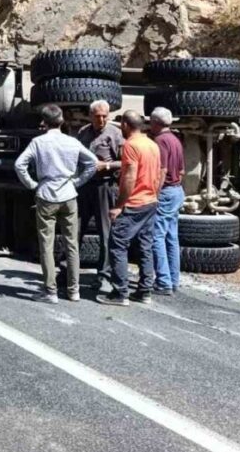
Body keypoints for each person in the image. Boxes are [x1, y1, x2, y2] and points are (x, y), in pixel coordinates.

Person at [15, 104, 98, 304]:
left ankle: (50, 291)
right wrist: (77, 182)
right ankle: (74, 290)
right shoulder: (72, 141)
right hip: (69, 195)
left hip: (46, 195)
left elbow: (20, 165)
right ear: (61, 121)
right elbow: (93, 163)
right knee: (72, 244)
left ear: (43, 122)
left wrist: (32, 184)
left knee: (46, 245)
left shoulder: (38, 142)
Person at [97, 110, 162, 306]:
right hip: (150, 202)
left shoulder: (131, 145)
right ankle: (144, 291)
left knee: (117, 245)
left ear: (125, 124)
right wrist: (154, 196)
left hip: (134, 204)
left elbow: (129, 177)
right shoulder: (152, 144)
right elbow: (159, 174)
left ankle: (120, 293)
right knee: (145, 246)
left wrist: (119, 206)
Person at [75, 99, 124, 292]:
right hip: (85, 186)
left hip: (105, 186)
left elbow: (126, 162)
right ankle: (69, 271)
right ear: (90, 116)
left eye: (105, 116)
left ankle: (103, 275)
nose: (101, 120)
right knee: (75, 229)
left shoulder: (115, 134)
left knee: (105, 233)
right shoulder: (83, 132)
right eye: (97, 116)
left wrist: (108, 166)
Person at [149, 107, 185, 296]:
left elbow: (162, 170)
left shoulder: (160, 141)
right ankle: (173, 279)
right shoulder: (176, 140)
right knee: (172, 238)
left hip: (166, 192)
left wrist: (155, 193)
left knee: (157, 236)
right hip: (178, 191)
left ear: (155, 122)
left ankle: (163, 282)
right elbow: (181, 171)